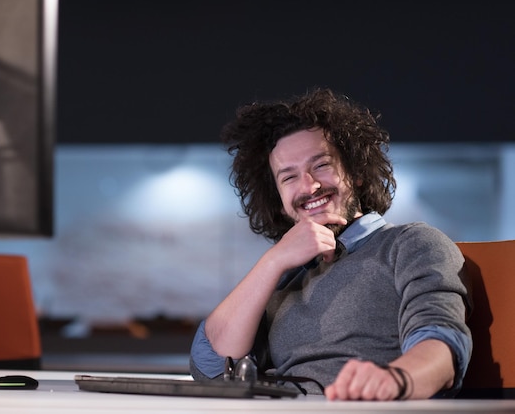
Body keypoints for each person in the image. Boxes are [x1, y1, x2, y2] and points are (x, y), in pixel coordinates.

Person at [189, 88, 472, 401]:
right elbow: (211, 366)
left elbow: (442, 344)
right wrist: (273, 261)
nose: (309, 186)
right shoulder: (284, 276)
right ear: (280, 202)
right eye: (289, 177)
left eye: (321, 165)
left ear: (356, 173)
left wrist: (397, 379)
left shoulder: (412, 243)